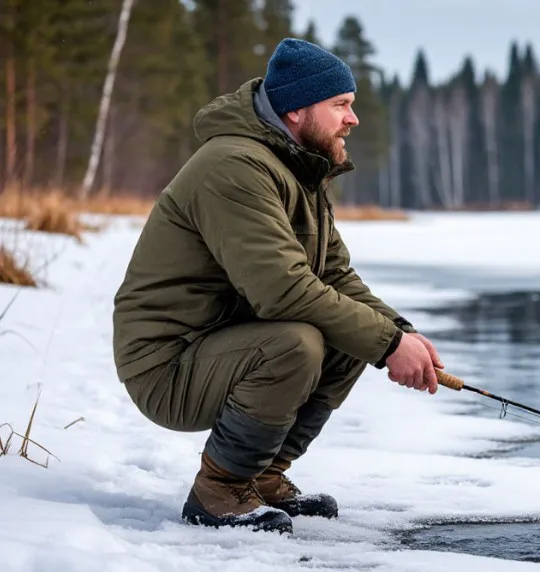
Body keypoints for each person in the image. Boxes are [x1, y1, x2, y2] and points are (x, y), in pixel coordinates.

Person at [112, 38, 443, 535]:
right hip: (167, 364)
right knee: (298, 342)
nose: (352, 119)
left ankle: (262, 478)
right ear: (295, 110)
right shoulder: (235, 168)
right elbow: (282, 290)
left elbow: (335, 277)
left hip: (221, 344)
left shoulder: (296, 169)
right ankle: (220, 490)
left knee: (353, 335)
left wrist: (400, 332)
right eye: (340, 106)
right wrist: (389, 345)